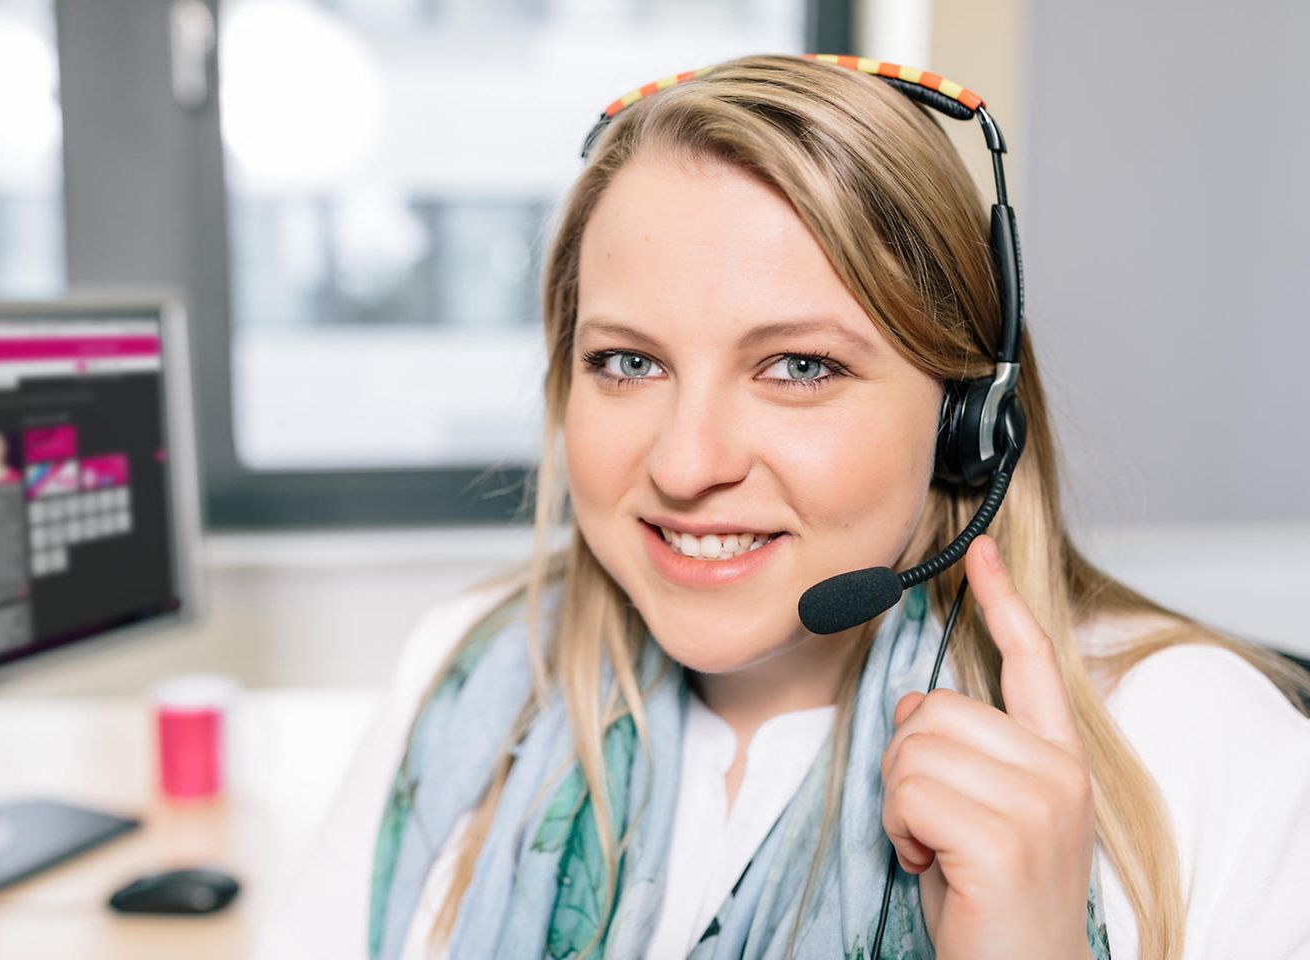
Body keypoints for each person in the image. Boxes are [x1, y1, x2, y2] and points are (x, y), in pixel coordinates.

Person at [262, 54, 1310, 959]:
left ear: (966, 417)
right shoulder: (467, 678)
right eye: (627, 361)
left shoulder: (1199, 748)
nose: (686, 462)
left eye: (798, 366)